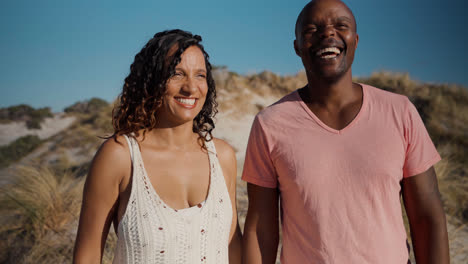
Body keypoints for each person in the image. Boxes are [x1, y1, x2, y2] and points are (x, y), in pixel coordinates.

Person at [242, 0, 449, 263]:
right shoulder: (269, 124)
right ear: (296, 46)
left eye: (341, 25)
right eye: (311, 30)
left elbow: (427, 217)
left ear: (355, 40)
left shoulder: (400, 112)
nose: (327, 34)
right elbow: (260, 229)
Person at [73, 29, 241, 264]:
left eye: (200, 75)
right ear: (152, 81)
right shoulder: (120, 156)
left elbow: (234, 249)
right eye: (176, 74)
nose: (191, 88)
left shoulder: (222, 156)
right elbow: (87, 256)